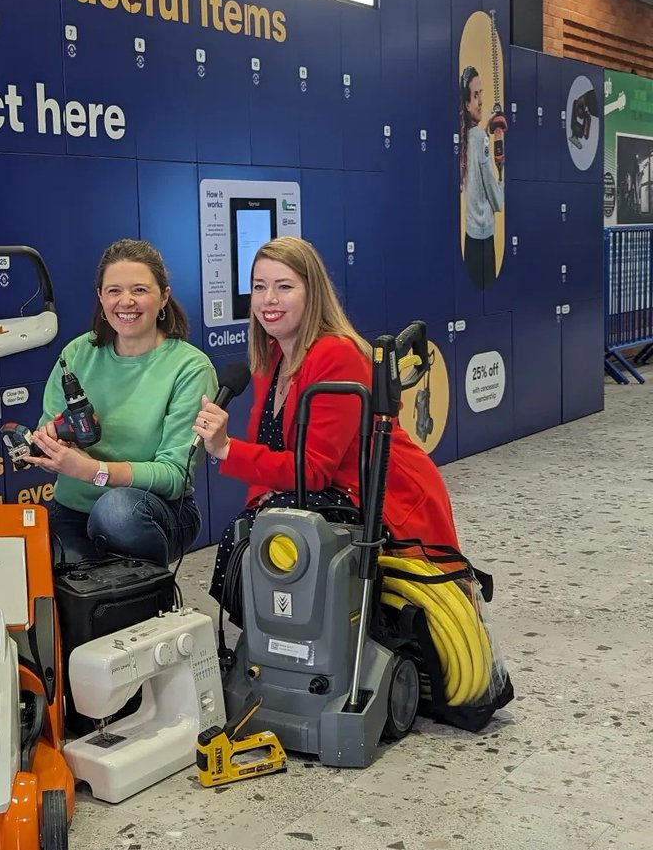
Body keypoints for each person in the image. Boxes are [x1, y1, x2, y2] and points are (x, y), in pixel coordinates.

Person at [193, 237, 461, 614]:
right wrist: (261, 499)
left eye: (284, 287)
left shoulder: (335, 354)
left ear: (312, 293)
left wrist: (225, 449)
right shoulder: (271, 357)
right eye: (259, 287)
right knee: (243, 536)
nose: (268, 299)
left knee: (256, 538)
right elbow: (271, 451)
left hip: (375, 497)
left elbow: (314, 470)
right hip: (324, 492)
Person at [24, 238, 217, 568]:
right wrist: (53, 442)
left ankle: (153, 599)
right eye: (114, 291)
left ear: (164, 298)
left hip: (152, 510)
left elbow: (174, 475)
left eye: (140, 290)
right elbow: (49, 423)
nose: (126, 301)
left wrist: (94, 471)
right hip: (72, 508)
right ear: (101, 298)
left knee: (115, 513)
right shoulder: (75, 355)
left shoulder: (190, 368)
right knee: (61, 589)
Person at [460, 66, 504, 291]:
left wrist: (486, 128)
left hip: (470, 238)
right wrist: (502, 176)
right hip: (485, 238)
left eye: (481, 93)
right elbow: (497, 200)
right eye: (475, 96)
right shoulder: (480, 140)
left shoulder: (465, 138)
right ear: (467, 104)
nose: (480, 101)